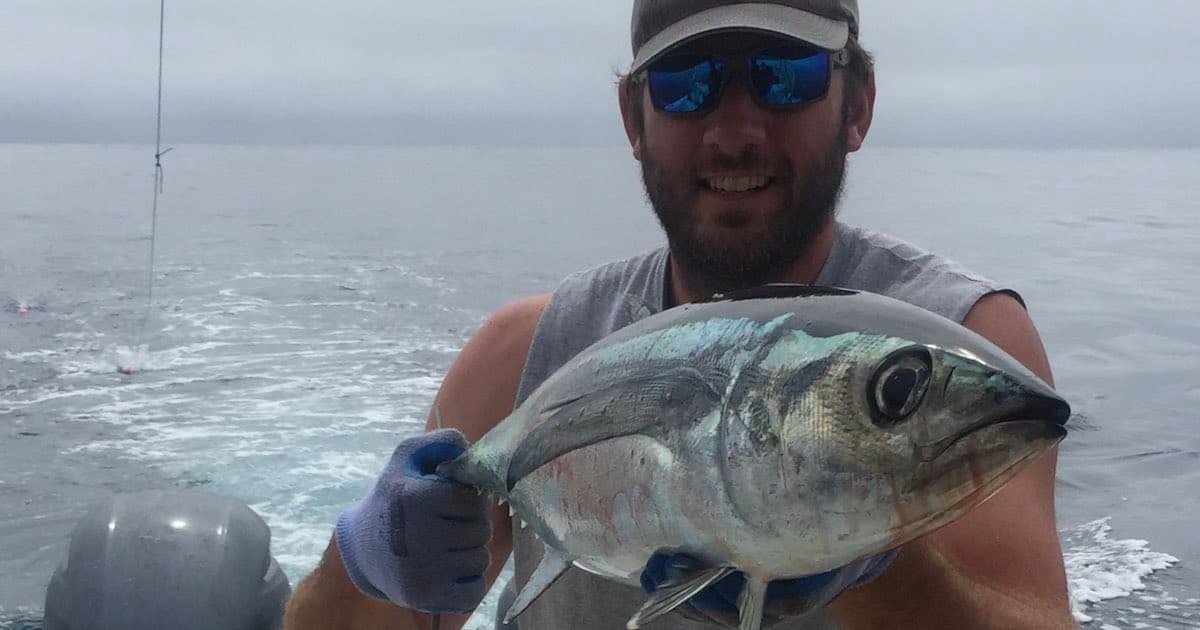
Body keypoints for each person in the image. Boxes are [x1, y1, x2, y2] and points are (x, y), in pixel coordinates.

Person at [283, 1, 1077, 628]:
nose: (734, 132)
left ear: (857, 103)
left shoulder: (962, 342)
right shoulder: (525, 359)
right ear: (635, 120)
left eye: (784, 75)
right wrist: (363, 561)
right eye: (686, 84)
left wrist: (879, 564)